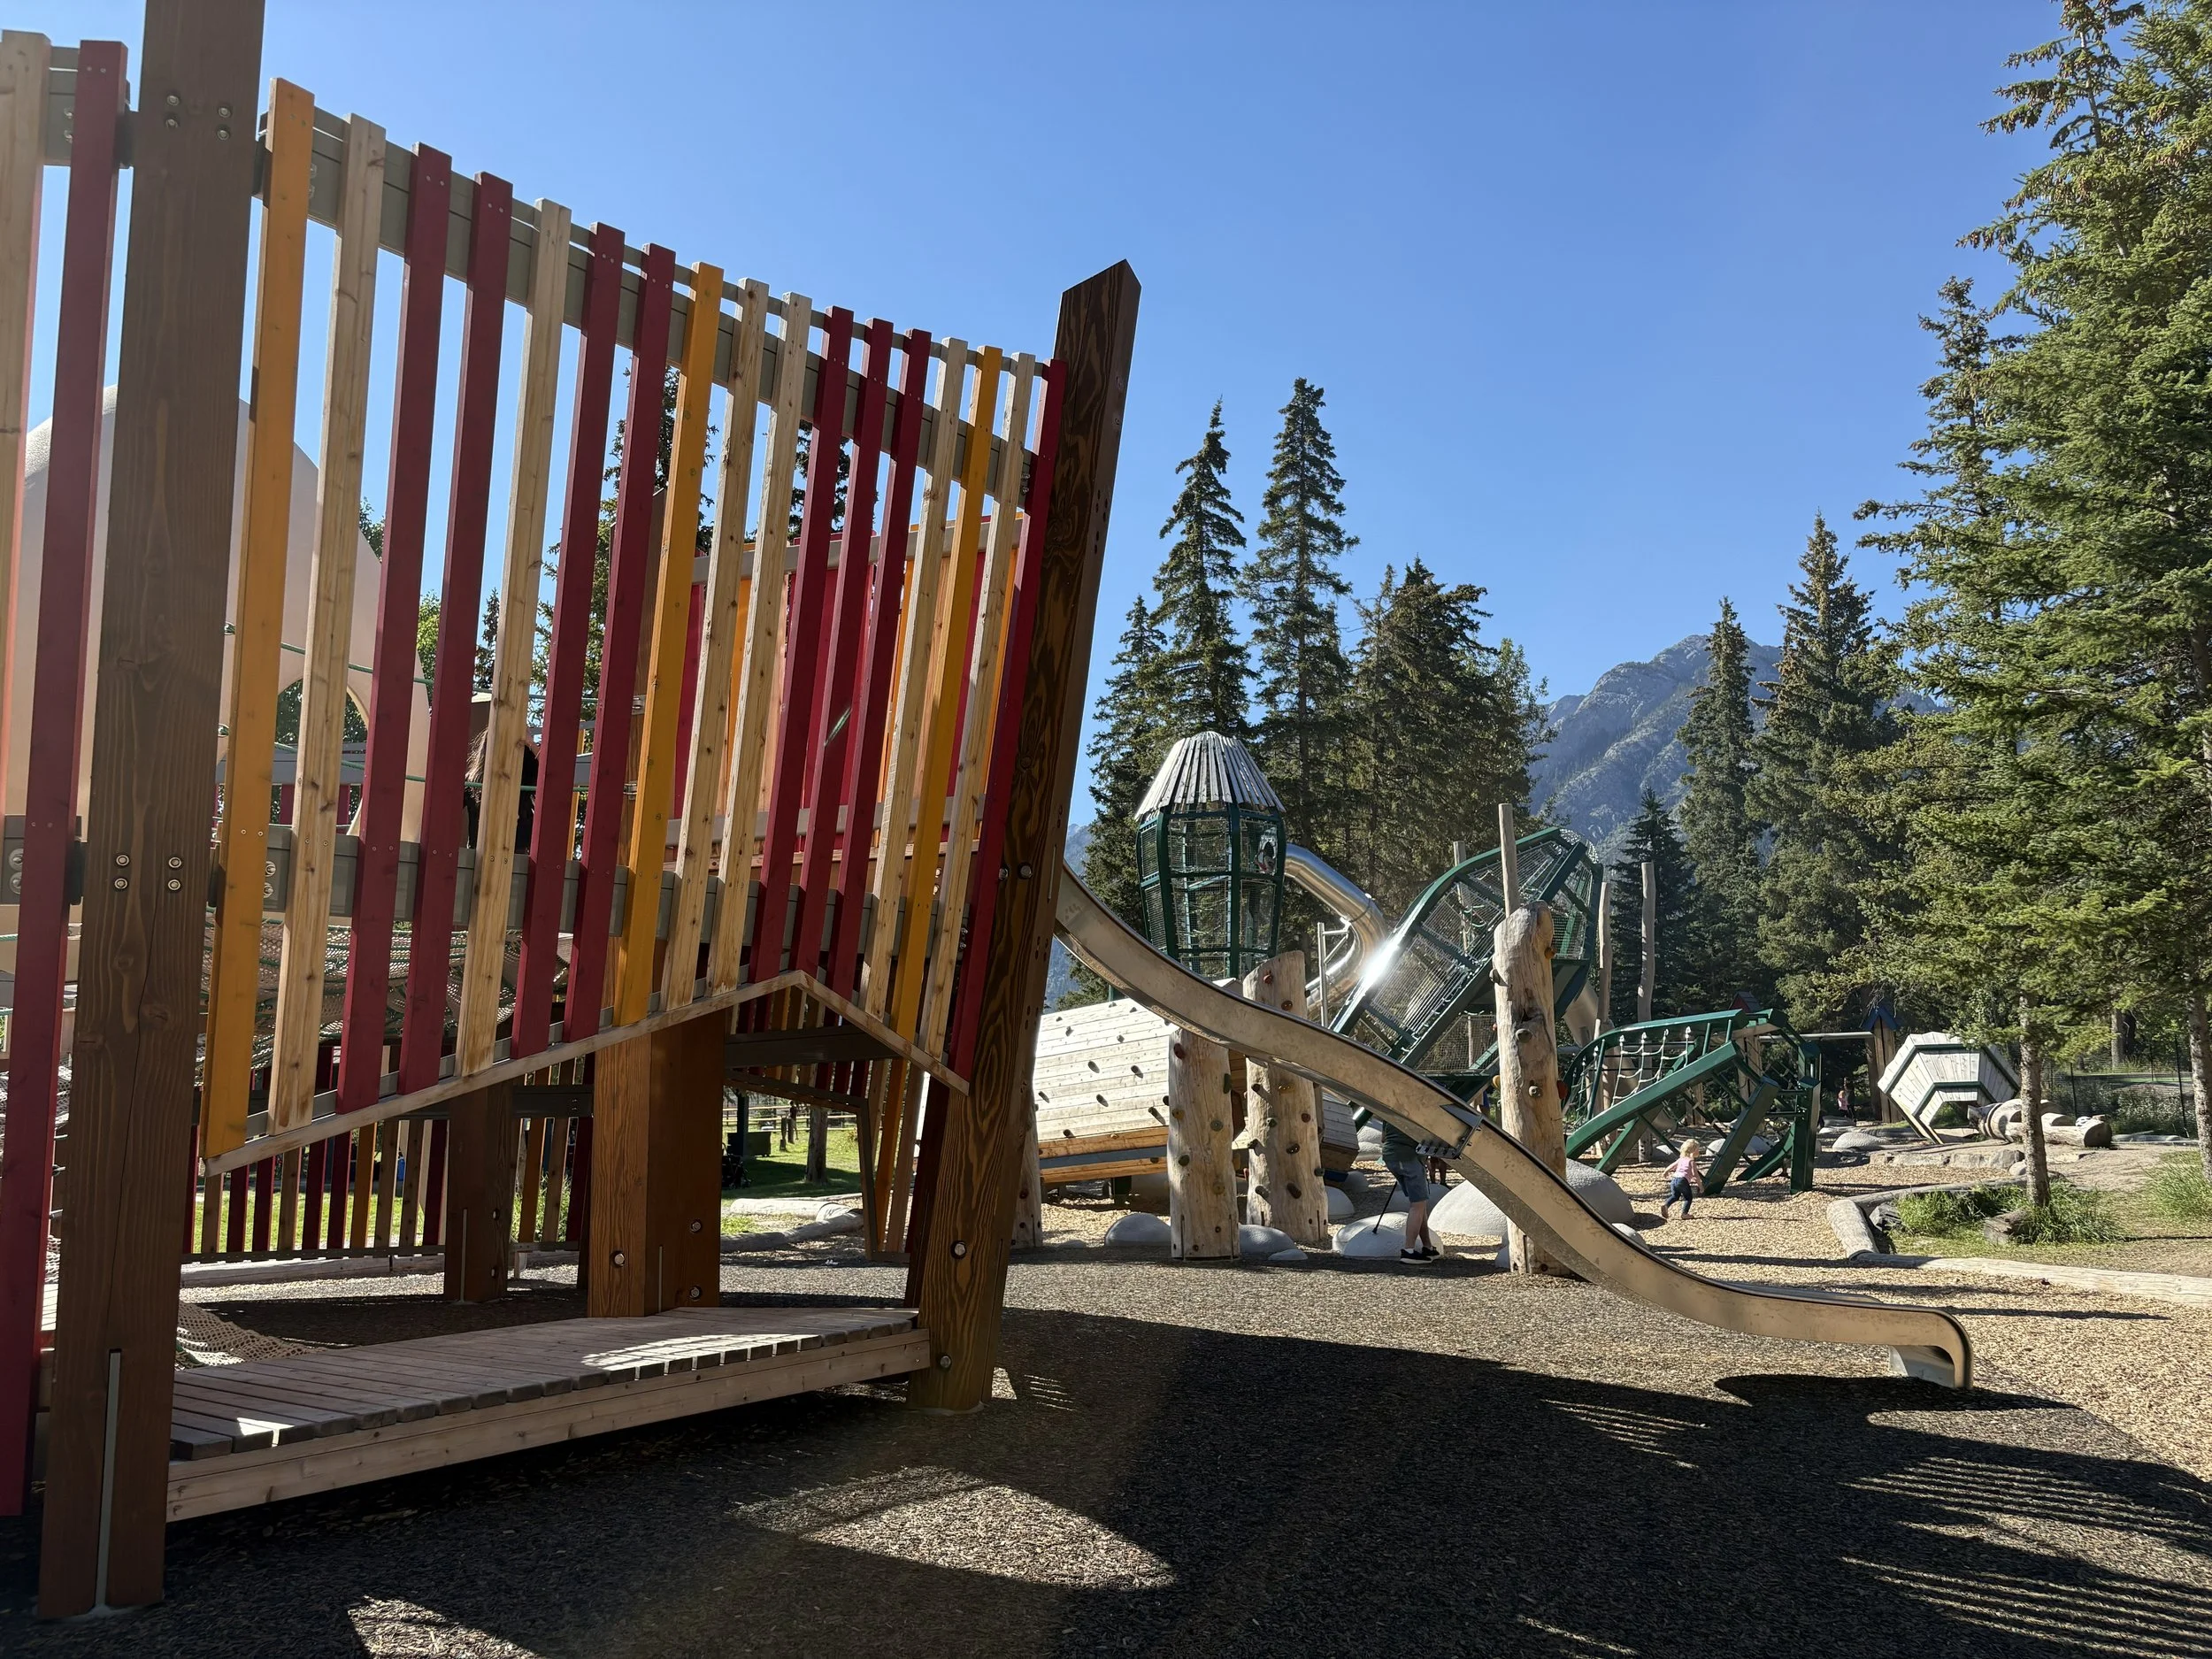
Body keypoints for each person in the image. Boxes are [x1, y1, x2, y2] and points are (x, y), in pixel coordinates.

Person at [1378, 1120, 1440, 1263]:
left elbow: (1383, 1138)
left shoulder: (1390, 1109)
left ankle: (1427, 1247)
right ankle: (1408, 1251)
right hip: (1408, 1158)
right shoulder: (1418, 1113)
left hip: (1390, 1155)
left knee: (1420, 1202)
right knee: (1417, 1206)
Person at [1659, 1139, 1703, 1221]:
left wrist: (1665, 1172)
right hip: (1683, 1181)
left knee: (1675, 1196)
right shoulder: (1691, 1162)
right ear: (1693, 1151)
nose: (1699, 1151)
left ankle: (1666, 1205)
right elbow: (1695, 1175)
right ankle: (1684, 1214)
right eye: (1698, 1149)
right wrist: (1700, 1186)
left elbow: (1672, 1165)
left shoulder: (1681, 1159)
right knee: (1688, 1198)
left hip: (1674, 1180)